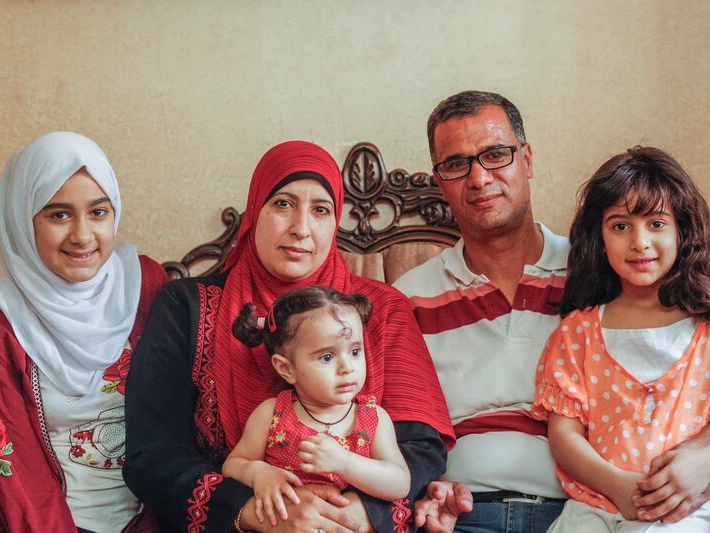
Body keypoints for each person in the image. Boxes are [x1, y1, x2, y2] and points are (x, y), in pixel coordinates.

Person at [123, 140, 454, 532]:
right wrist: (255, 513)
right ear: (254, 212)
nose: (301, 228)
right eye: (282, 204)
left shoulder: (381, 309)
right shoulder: (186, 306)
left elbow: (420, 448)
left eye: (320, 210)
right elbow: (153, 454)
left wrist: (358, 514)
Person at [534, 146, 710, 532]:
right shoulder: (577, 333)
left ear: (683, 231)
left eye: (656, 224)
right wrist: (617, 487)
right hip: (595, 505)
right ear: (599, 237)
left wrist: (704, 465)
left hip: (685, 509)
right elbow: (564, 433)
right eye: (620, 226)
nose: (639, 242)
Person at [0, 132, 168, 532]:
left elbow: (179, 420)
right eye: (59, 215)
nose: (82, 235)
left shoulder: (145, 285)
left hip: (154, 517)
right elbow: (15, 472)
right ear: (24, 221)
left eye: (98, 212)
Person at [393, 90, 570, 533]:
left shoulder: (598, 275)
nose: (478, 178)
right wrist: (424, 488)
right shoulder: (407, 300)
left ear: (526, 160)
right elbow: (394, 435)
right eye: (457, 163)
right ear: (440, 181)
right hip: (461, 516)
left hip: (586, 511)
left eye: (495, 155)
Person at [224, 285, 410, 528]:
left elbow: (400, 483)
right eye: (327, 357)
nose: (347, 367)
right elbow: (233, 464)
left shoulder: (373, 418)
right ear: (286, 368)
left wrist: (345, 463)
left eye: (355, 351)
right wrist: (259, 473)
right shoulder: (272, 413)